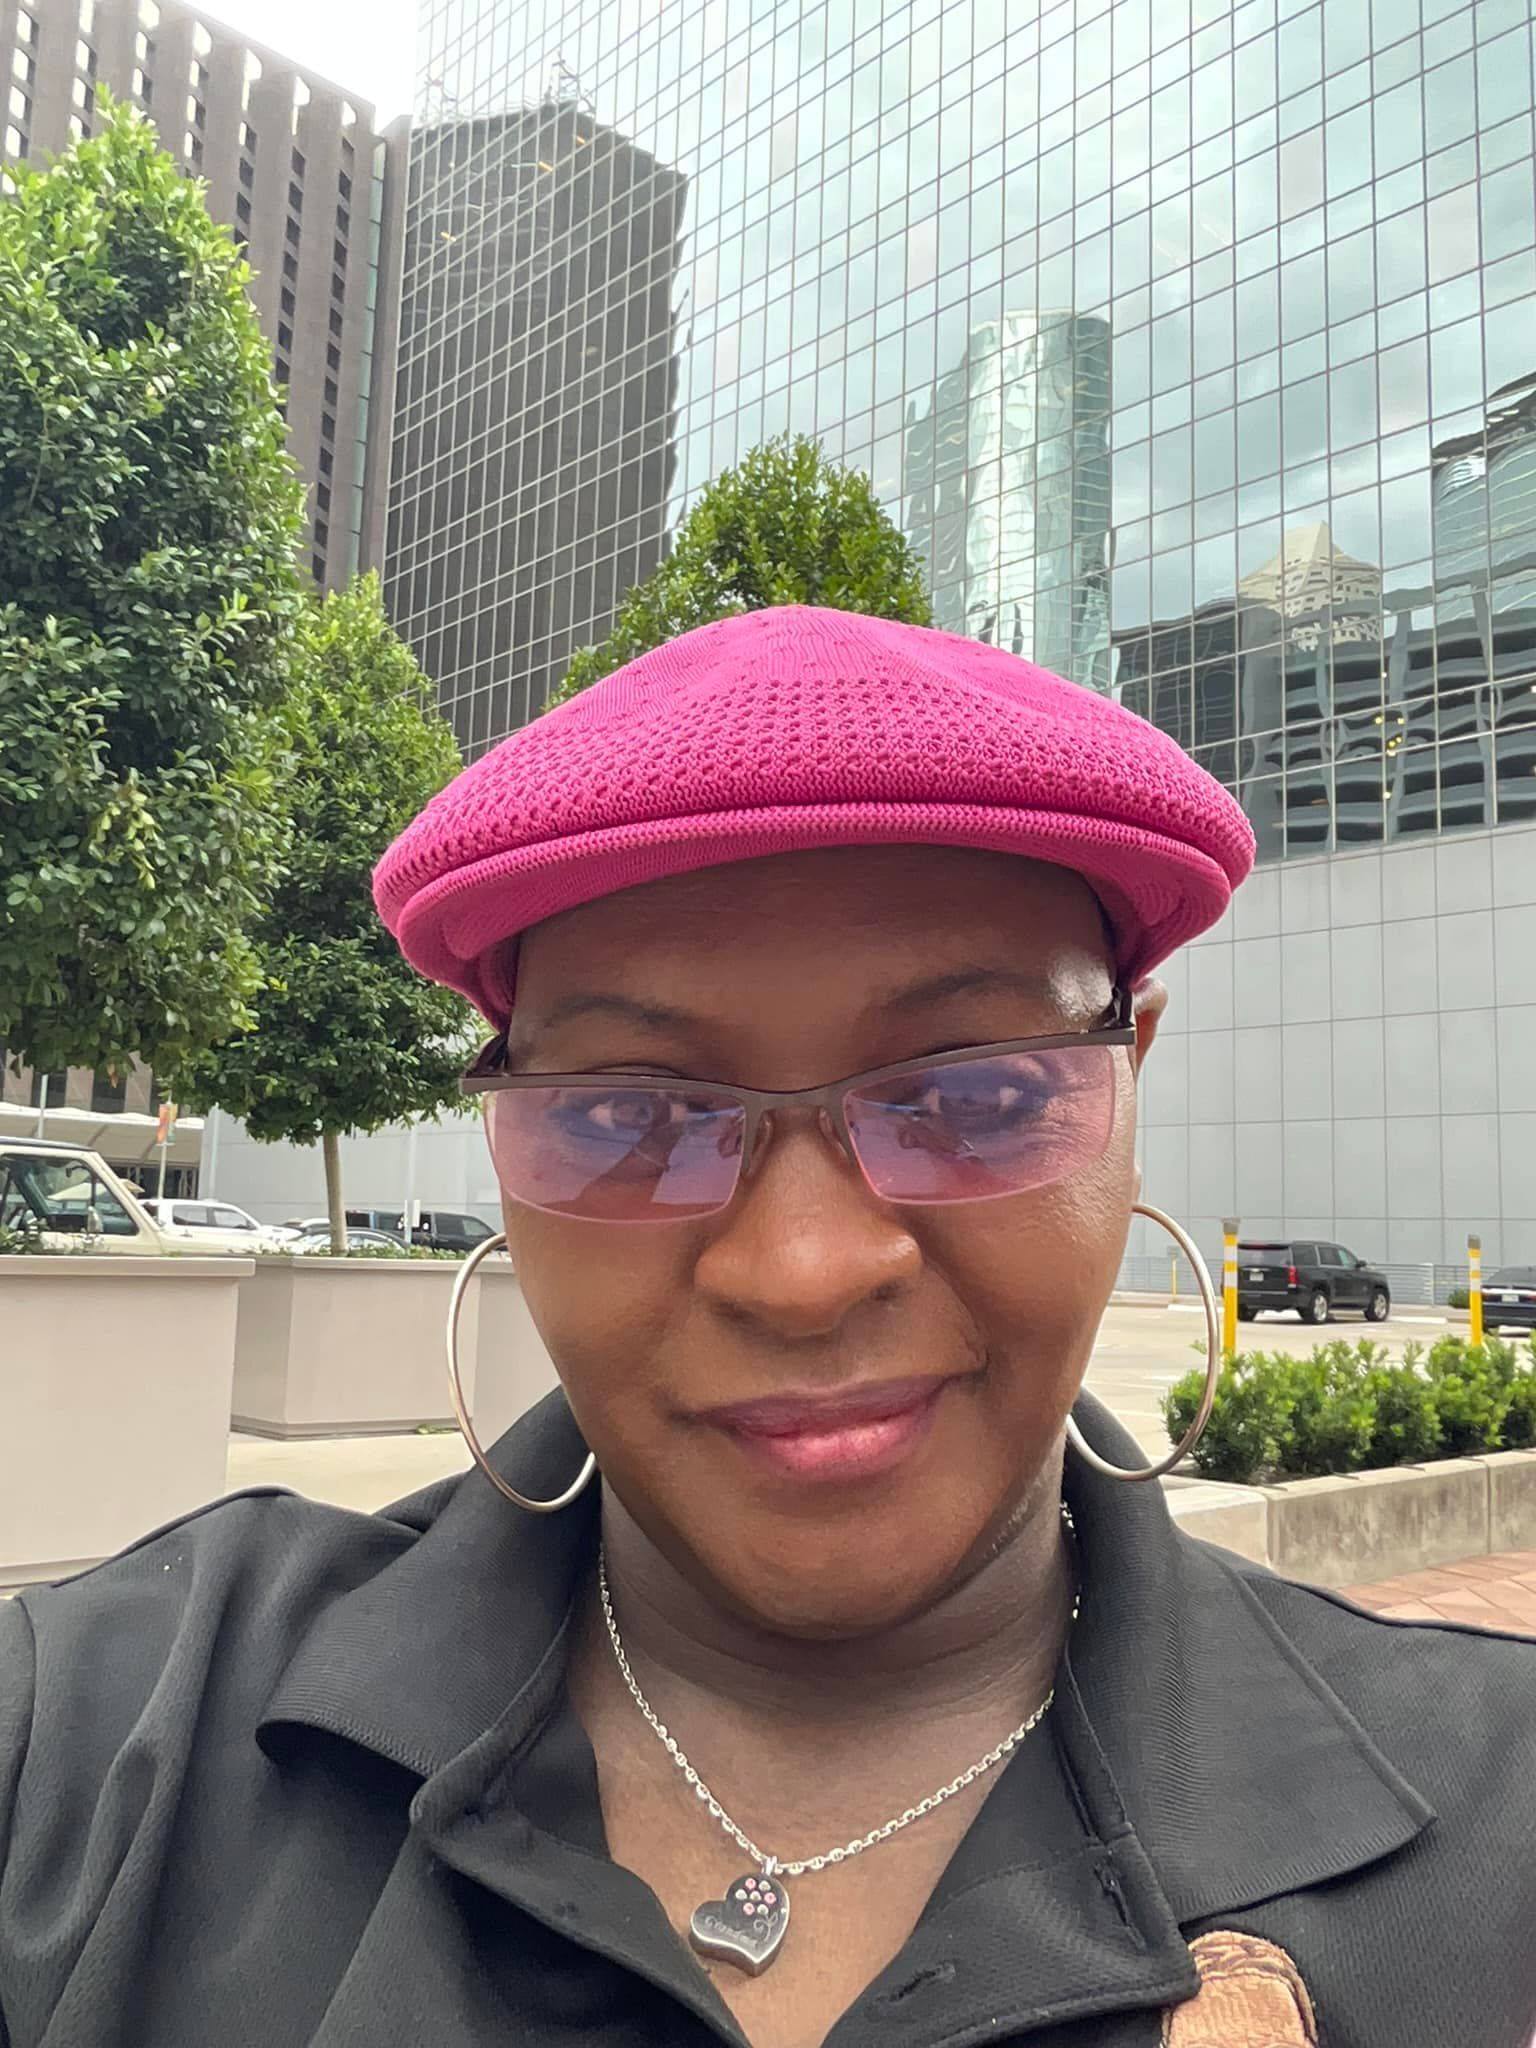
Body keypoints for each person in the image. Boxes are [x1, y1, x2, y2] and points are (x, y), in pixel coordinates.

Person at [1, 606, 1533, 2048]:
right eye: (626, 1112)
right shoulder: (97, 1746)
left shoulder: (1497, 1818)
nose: (802, 1270)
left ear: (1129, 1077)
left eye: (976, 1094)